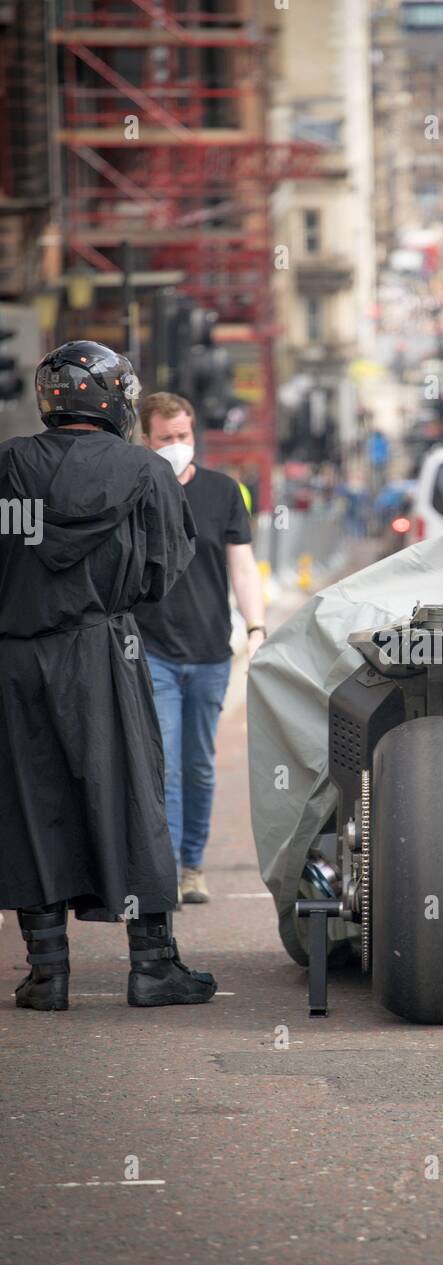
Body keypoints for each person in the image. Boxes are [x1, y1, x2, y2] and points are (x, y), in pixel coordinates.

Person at [0, 340, 216, 1010]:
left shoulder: (9, 466)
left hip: (16, 652)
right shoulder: (145, 473)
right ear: (115, 401)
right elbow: (160, 573)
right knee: (130, 793)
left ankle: (48, 972)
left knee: (29, 800)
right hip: (103, 649)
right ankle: (152, 965)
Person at [133, 392, 265, 906]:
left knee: (201, 764)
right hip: (153, 649)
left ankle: (193, 865)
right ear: (145, 440)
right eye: (165, 438)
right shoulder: (135, 493)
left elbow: (243, 565)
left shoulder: (223, 492)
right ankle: (165, 870)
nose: (176, 446)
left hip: (211, 651)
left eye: (183, 436)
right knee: (165, 760)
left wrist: (256, 627)